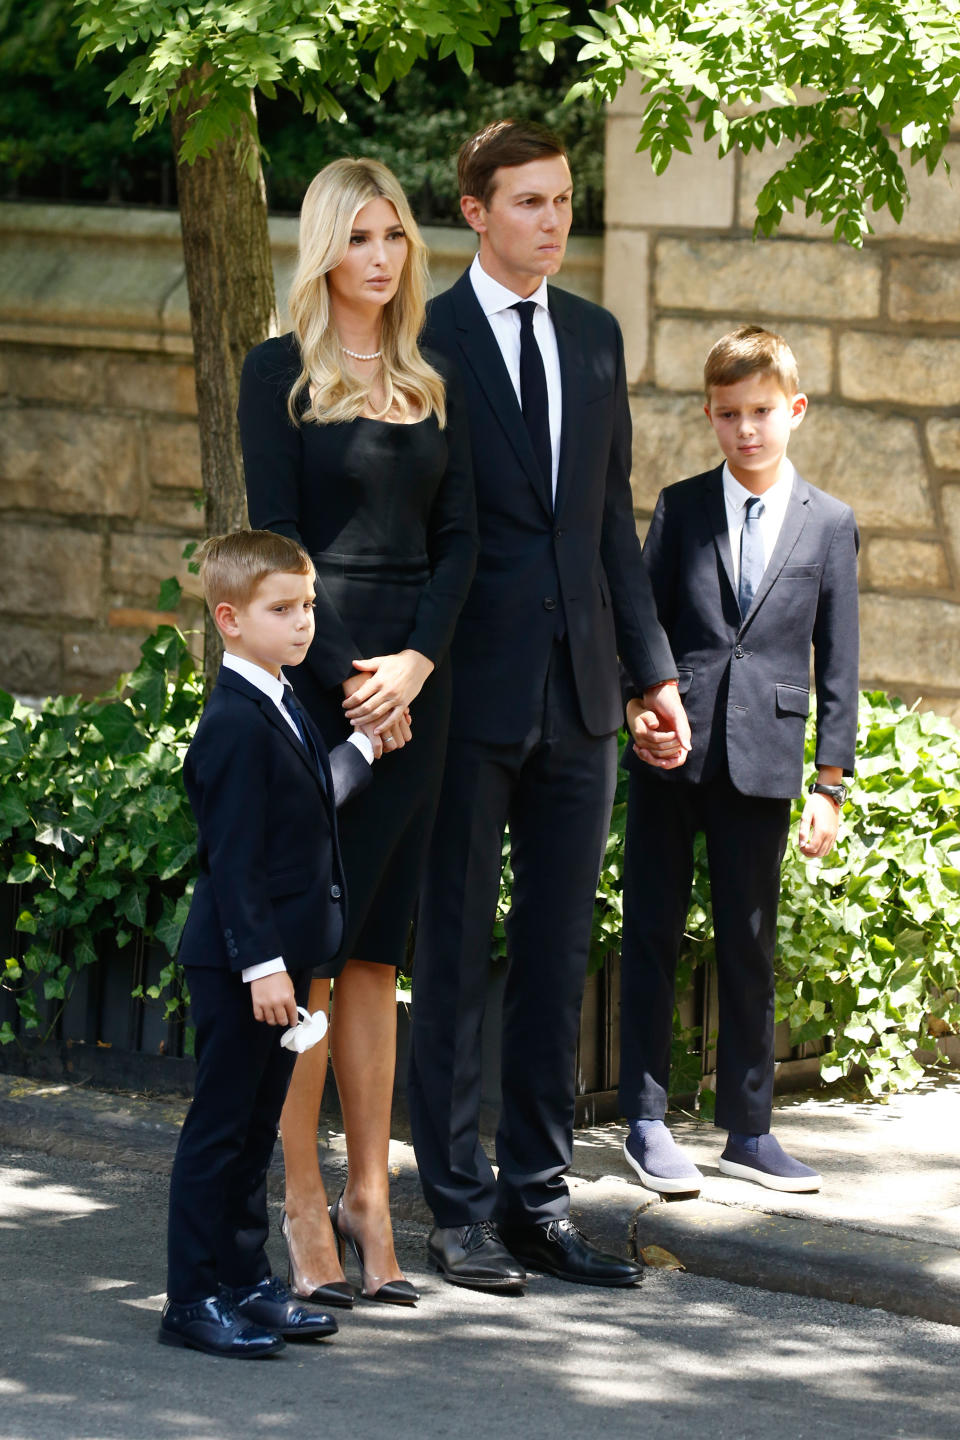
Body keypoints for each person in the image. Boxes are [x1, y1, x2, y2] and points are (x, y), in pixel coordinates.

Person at [407, 120, 690, 1293]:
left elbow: (608, 524)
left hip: (580, 699)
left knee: (556, 954)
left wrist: (652, 672)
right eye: (528, 202)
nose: (554, 220)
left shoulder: (593, 333)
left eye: (564, 200)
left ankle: (535, 1200)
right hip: (468, 693)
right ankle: (455, 1208)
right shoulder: (428, 336)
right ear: (475, 210)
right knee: (458, 949)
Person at [239, 158, 477, 1307]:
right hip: (315, 684)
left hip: (415, 696)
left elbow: (463, 543)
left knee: (378, 950)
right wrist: (347, 681)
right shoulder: (277, 375)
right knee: (316, 955)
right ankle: (298, 1198)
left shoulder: (435, 380)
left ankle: (372, 1199)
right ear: (326, 246)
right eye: (361, 236)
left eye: (396, 237)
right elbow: (278, 543)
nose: (381, 257)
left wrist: (415, 670)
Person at [619, 324, 860, 1197]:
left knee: (749, 942)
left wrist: (831, 785)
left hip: (763, 759)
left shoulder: (831, 525)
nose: (745, 429)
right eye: (728, 414)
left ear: (793, 410)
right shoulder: (680, 508)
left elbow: (839, 665)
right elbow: (640, 625)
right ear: (710, 417)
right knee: (649, 929)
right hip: (670, 750)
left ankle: (750, 1132)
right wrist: (638, 706)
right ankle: (646, 1122)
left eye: (761, 411)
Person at [160, 530, 374, 1358]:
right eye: (281, 610)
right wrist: (263, 966)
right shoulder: (232, 724)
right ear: (229, 619)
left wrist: (359, 748)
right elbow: (235, 860)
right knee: (218, 1133)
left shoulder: (279, 702)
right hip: (241, 966)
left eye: (308, 606)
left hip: (280, 969)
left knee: (255, 1135)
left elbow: (312, 799)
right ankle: (190, 1299)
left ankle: (245, 1283)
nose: (303, 624)